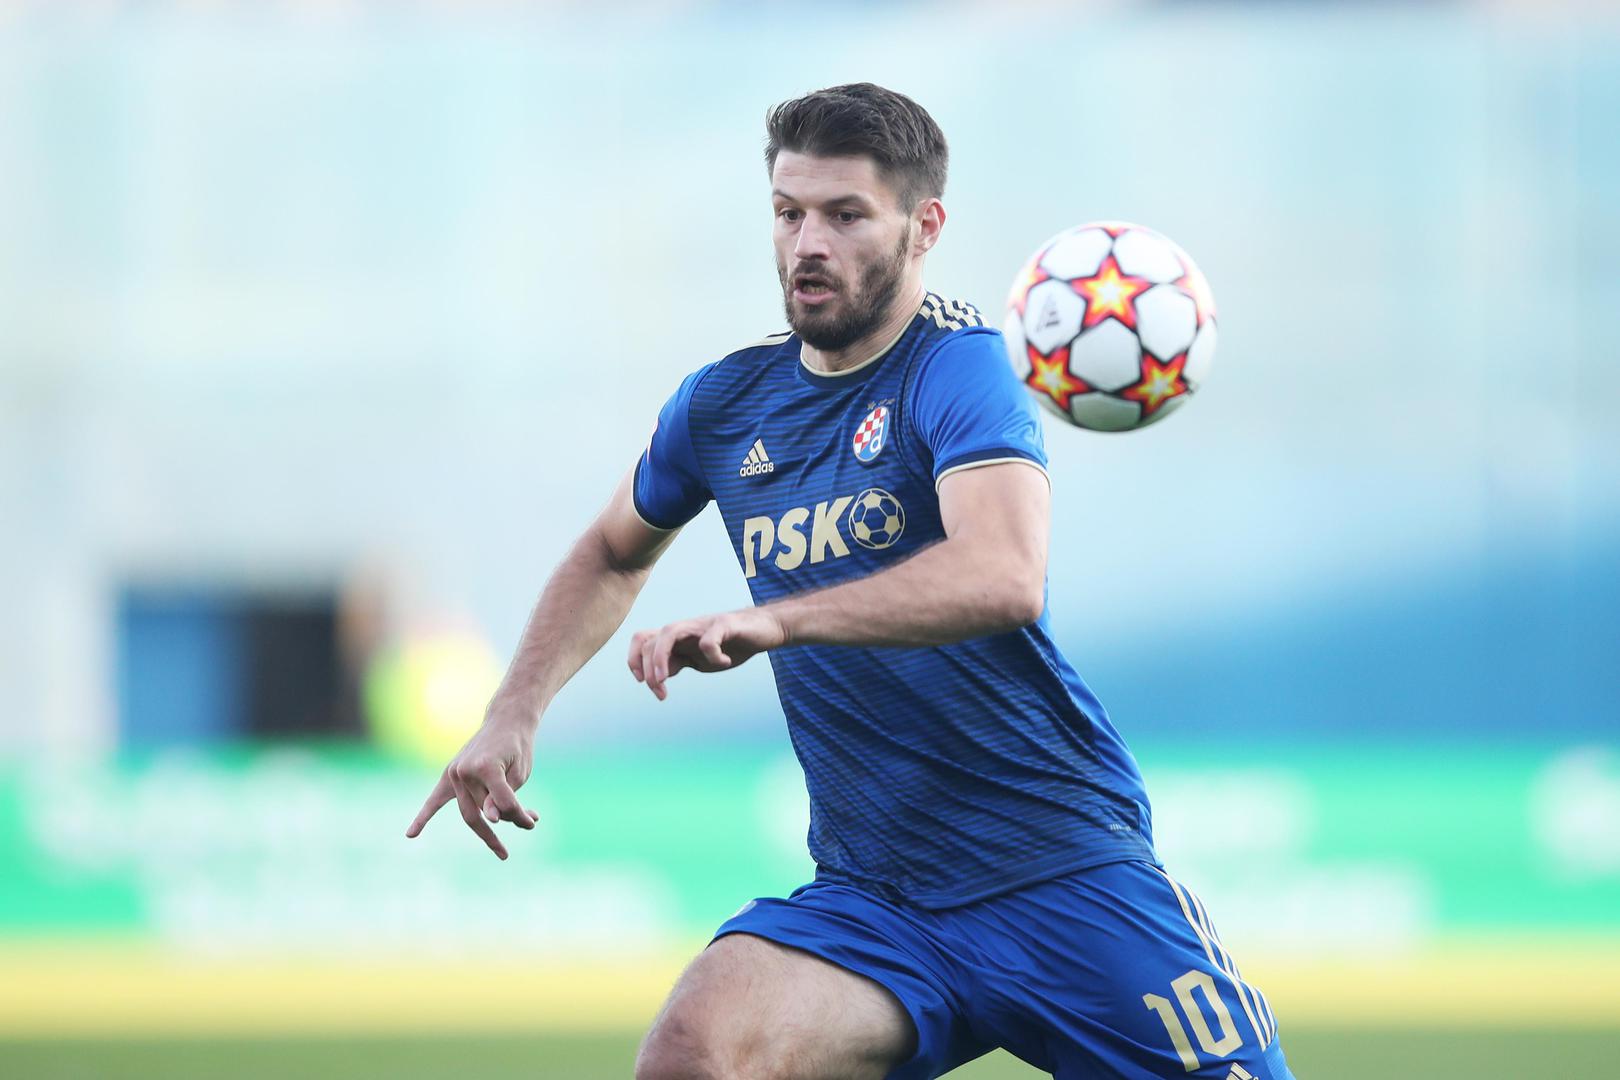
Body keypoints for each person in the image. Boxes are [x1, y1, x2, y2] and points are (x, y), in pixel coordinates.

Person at [407, 83, 1294, 1080]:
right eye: (788, 214)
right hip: (877, 901)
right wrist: (513, 712)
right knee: (695, 1053)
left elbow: (1004, 574)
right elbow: (613, 551)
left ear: (925, 228)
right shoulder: (725, 403)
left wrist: (780, 622)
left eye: (844, 215)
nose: (807, 245)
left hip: (1056, 871)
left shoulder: (962, 369)